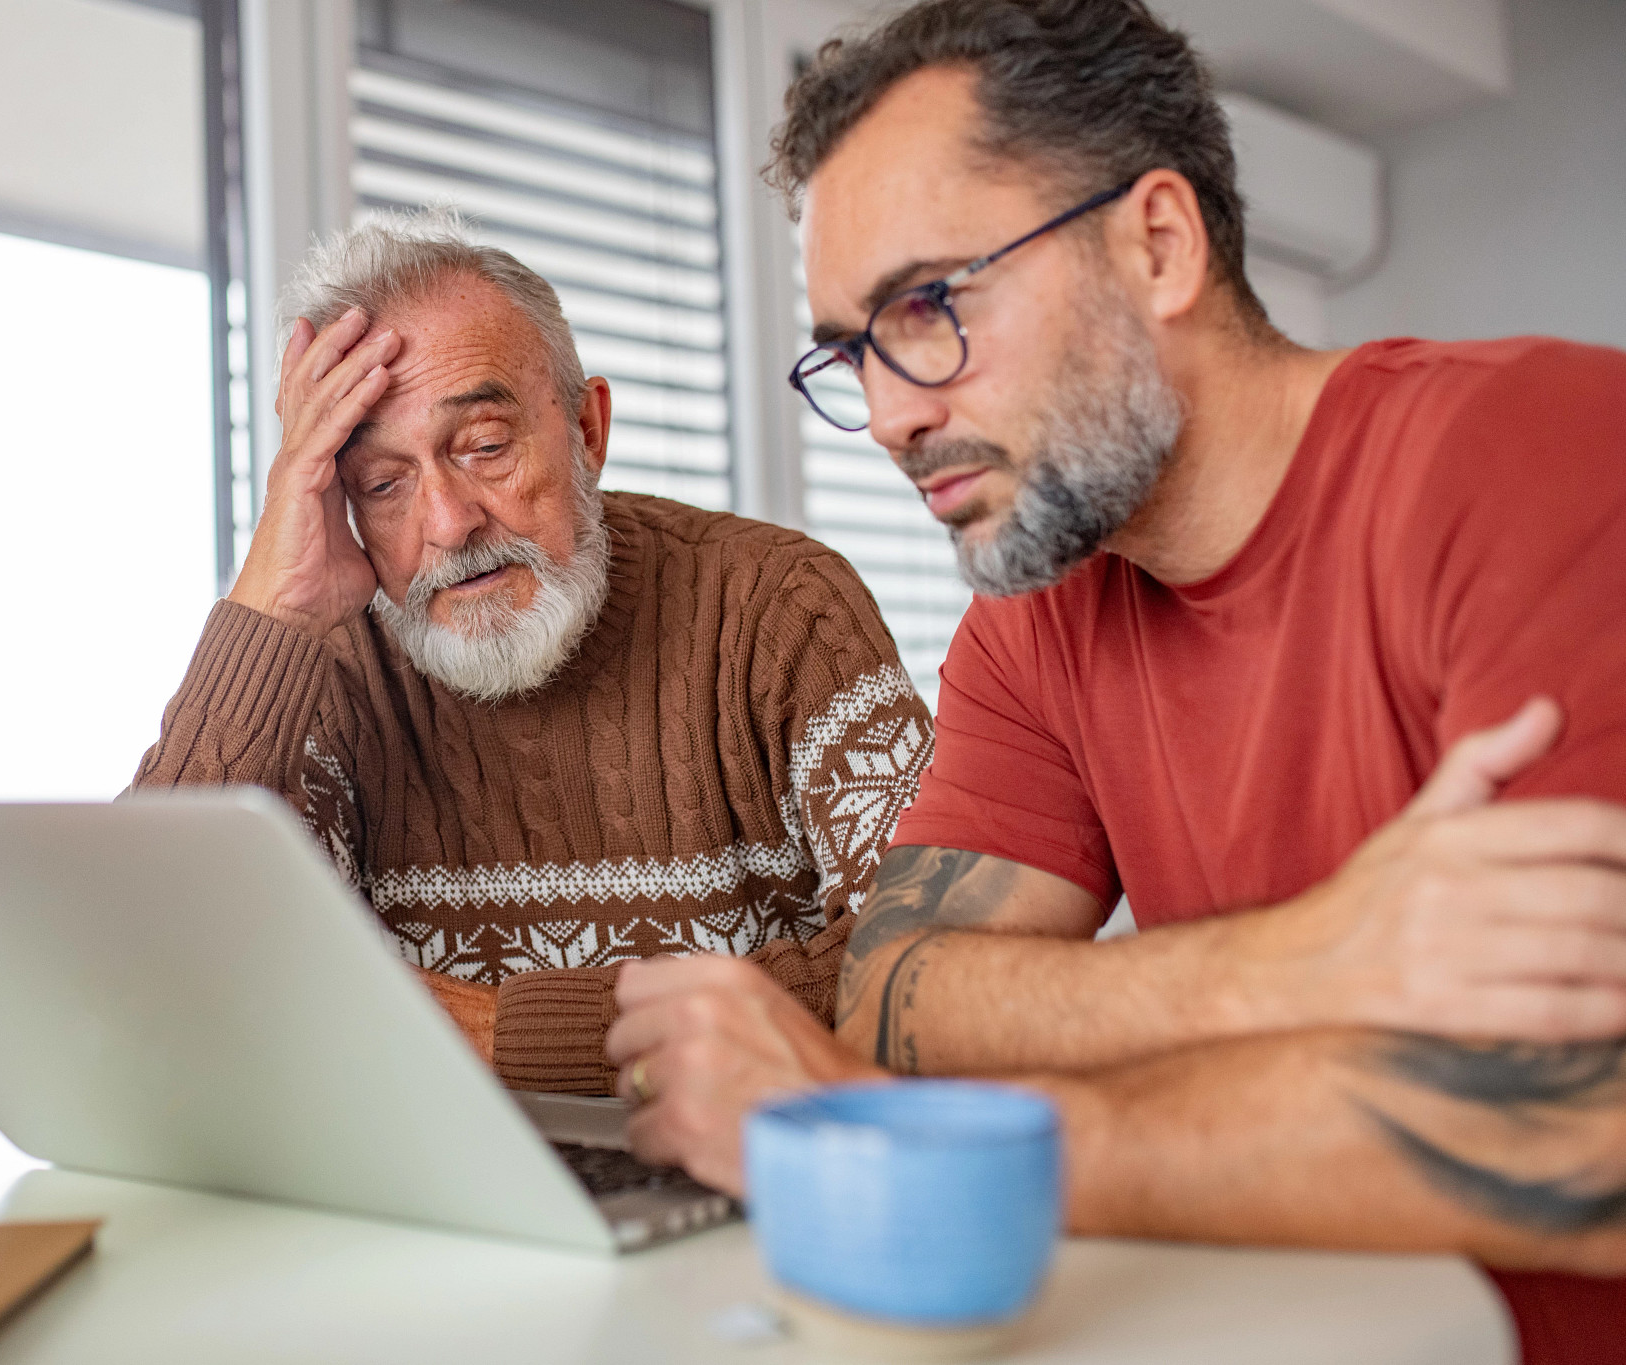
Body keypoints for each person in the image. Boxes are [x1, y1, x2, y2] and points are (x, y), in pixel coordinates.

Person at [602, 2, 1626, 1358]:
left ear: (1157, 243)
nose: (895, 414)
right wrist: (1299, 962)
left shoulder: (1536, 455)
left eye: (928, 306)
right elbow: (898, 997)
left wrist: (947, 1154)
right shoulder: (1041, 601)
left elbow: (1587, 1126)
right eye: (854, 349)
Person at [131, 209, 933, 1094]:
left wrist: (502, 1035)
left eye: (482, 447)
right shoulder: (324, 664)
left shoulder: (780, 607)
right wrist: (270, 608)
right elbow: (137, 973)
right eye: (383, 484)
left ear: (588, 431)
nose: (447, 523)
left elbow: (931, 966)